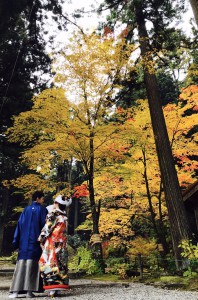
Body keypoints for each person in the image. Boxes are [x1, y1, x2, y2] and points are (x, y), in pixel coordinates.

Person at [9, 191, 48, 299]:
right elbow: (45, 227)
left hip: (23, 243)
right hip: (35, 243)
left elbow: (19, 225)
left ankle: (15, 292)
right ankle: (29, 292)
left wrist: (15, 241)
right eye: (42, 198)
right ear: (38, 199)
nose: (43, 200)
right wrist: (44, 241)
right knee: (32, 267)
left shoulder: (25, 210)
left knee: (21, 266)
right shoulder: (42, 210)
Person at [38, 195, 70, 297]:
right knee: (60, 264)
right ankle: (58, 288)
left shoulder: (53, 214)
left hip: (52, 242)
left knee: (50, 263)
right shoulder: (64, 217)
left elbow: (47, 228)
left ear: (57, 203)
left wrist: (41, 239)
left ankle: (52, 289)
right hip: (62, 243)